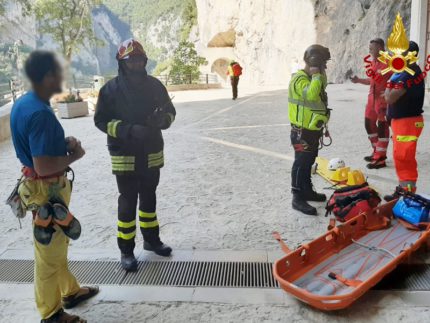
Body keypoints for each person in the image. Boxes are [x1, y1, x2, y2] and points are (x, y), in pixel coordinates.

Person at [10, 51, 98, 323]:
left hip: (36, 189)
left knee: (56, 245)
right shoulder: (40, 114)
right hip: (47, 190)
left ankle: (69, 291)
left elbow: (36, 150)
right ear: (47, 76)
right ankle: (51, 314)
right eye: (59, 72)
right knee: (48, 255)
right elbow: (45, 166)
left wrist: (62, 143)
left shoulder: (25, 104)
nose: (62, 77)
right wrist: (75, 156)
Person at [94, 39, 176, 271]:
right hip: (125, 155)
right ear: (122, 62)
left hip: (151, 152)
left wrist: (163, 120)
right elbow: (101, 121)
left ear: (145, 61)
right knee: (128, 203)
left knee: (149, 198)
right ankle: (126, 251)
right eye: (131, 61)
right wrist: (127, 130)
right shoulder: (109, 90)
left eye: (140, 60)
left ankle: (151, 240)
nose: (137, 64)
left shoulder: (155, 86)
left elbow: (170, 111)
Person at [288, 44, 331, 215]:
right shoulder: (300, 79)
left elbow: (322, 86)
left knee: (310, 160)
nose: (324, 67)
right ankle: (297, 196)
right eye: (323, 64)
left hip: (312, 129)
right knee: (301, 162)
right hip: (301, 132)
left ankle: (306, 190)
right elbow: (312, 94)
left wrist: (318, 74)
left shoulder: (314, 77)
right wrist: (316, 74)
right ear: (315, 61)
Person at [383, 41, 425, 201]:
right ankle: (404, 190)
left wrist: (389, 84)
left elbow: (390, 97)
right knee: (401, 158)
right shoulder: (407, 71)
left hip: (407, 123)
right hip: (405, 122)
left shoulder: (407, 73)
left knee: (404, 159)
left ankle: (407, 195)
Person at [351, 38, 392, 169]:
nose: (369, 51)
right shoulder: (374, 62)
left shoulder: (390, 62)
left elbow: (399, 78)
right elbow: (372, 80)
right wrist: (358, 80)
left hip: (382, 102)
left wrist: (389, 90)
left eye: (371, 48)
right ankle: (376, 152)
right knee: (368, 125)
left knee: (382, 128)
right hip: (371, 100)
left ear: (380, 48)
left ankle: (380, 159)